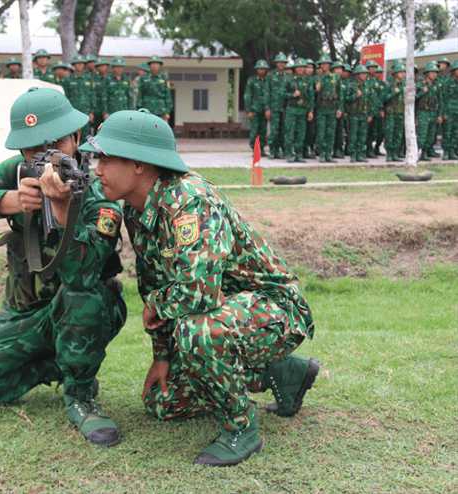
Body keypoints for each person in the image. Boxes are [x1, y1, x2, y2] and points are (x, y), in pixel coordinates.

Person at [79, 108, 318, 467]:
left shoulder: (190, 200)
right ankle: (281, 372)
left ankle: (241, 427)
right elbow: (153, 282)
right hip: (226, 312)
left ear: (140, 164)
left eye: (107, 158)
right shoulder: (136, 207)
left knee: (197, 328)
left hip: (276, 311)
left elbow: (197, 293)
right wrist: (162, 355)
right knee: (163, 403)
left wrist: (159, 304)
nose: (97, 169)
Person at [0, 87, 127, 448]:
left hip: (81, 309)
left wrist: (65, 210)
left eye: (55, 144)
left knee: (85, 297)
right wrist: (7, 201)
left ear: (77, 138)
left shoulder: (97, 185)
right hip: (23, 313)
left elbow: (84, 276)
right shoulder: (16, 172)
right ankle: (52, 364)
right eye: (33, 148)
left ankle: (81, 396)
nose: (46, 156)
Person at [280, 58, 314, 163]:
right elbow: (281, 93)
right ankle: (289, 154)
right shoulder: (289, 79)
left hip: (303, 111)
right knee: (290, 132)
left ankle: (299, 155)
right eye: (298, 67)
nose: (300, 69)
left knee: (301, 133)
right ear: (295, 68)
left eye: (302, 67)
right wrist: (292, 95)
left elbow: (311, 97)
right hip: (291, 110)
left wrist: (311, 111)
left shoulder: (307, 80)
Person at [313, 55, 342, 163]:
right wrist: (316, 89)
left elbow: (340, 94)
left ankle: (329, 154)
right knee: (321, 133)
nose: (324, 66)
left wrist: (340, 108)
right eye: (322, 64)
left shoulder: (335, 78)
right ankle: (321, 154)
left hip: (332, 109)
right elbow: (311, 95)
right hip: (321, 110)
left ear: (329, 65)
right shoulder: (317, 78)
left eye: (326, 64)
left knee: (331, 133)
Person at [344, 65, 375, 162]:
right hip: (354, 114)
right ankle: (353, 154)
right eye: (361, 73)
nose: (364, 75)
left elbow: (371, 101)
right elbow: (346, 99)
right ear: (357, 75)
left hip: (364, 114)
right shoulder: (352, 85)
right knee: (353, 135)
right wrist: (355, 96)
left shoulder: (368, 86)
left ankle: (360, 154)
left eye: (365, 73)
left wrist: (371, 114)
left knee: (363, 135)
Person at [62, 54, 95, 144]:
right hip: (73, 112)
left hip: (86, 112)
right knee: (73, 136)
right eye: (77, 64)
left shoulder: (89, 78)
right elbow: (65, 98)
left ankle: (85, 156)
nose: (80, 65)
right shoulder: (68, 79)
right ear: (74, 65)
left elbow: (93, 96)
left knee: (86, 136)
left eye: (81, 63)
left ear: (84, 65)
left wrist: (92, 112)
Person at [264, 53, 290, 159]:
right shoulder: (270, 76)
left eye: (283, 63)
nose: (281, 64)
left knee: (282, 130)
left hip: (285, 108)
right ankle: (272, 150)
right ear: (276, 63)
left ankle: (278, 150)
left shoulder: (288, 76)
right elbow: (267, 92)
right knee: (274, 131)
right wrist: (267, 108)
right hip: (274, 107)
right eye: (279, 62)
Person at [416, 62, 442, 162]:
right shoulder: (420, 85)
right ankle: (415, 153)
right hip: (423, 113)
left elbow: (440, 101)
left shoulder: (437, 86)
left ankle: (424, 154)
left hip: (433, 113)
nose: (434, 74)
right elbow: (414, 98)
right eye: (432, 72)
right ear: (427, 73)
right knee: (422, 135)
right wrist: (423, 91)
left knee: (431, 135)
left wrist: (439, 115)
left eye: (435, 72)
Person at [381, 61, 406, 162]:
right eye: (400, 72)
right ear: (395, 73)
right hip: (391, 114)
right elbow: (383, 98)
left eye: (404, 72)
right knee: (389, 134)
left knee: (398, 134)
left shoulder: (405, 85)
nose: (402, 74)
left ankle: (395, 153)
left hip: (401, 113)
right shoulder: (389, 85)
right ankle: (389, 154)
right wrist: (393, 93)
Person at [136, 55, 173, 122]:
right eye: (153, 63)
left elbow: (168, 96)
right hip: (147, 110)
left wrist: (167, 111)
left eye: (157, 63)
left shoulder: (164, 78)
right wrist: (139, 109)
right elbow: (140, 95)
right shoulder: (144, 78)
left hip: (161, 111)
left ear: (160, 65)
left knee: (160, 130)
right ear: (149, 65)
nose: (155, 65)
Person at [244, 60, 269, 156]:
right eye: (260, 68)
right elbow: (248, 96)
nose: (261, 70)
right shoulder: (252, 81)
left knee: (263, 130)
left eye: (263, 68)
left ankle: (261, 149)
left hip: (265, 110)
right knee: (255, 130)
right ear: (257, 69)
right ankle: (255, 149)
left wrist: (268, 109)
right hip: (255, 110)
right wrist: (249, 110)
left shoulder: (268, 80)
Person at [364, 60, 384, 158]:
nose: (373, 69)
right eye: (370, 67)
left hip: (376, 111)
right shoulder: (365, 81)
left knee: (373, 132)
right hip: (366, 111)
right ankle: (367, 150)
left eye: (374, 67)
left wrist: (380, 109)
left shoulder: (377, 82)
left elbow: (380, 97)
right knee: (365, 131)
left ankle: (370, 149)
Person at [442, 60, 458, 160]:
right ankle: (446, 152)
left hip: (457, 112)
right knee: (447, 132)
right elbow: (443, 98)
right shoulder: (447, 81)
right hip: (448, 111)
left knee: (456, 133)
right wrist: (443, 113)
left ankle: (453, 151)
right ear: (454, 71)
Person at [330, 61, 347, 159]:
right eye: (337, 69)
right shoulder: (330, 80)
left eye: (340, 69)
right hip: (331, 109)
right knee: (331, 131)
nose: (339, 71)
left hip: (342, 110)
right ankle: (329, 151)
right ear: (333, 70)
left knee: (339, 132)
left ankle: (338, 150)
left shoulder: (344, 82)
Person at [92, 57, 111, 130]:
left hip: (109, 112)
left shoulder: (111, 79)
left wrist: (107, 112)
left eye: (103, 65)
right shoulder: (93, 78)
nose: (101, 68)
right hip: (97, 111)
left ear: (106, 66)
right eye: (99, 66)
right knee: (97, 133)